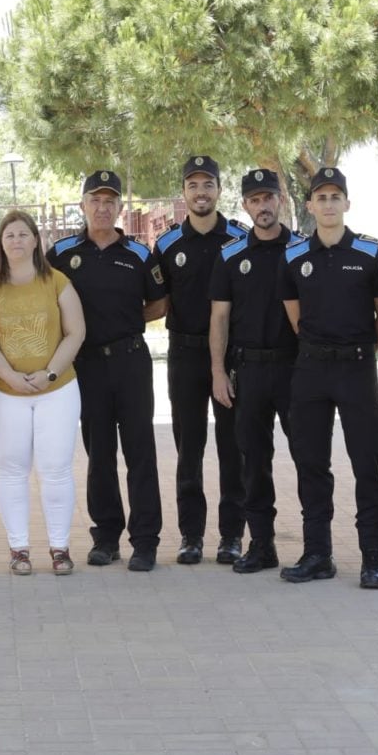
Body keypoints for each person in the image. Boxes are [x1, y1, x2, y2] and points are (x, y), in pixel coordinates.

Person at [279, 166, 378, 588]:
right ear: (309, 205)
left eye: (335, 197)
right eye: (320, 197)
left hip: (357, 367)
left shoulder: (370, 252)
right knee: (311, 464)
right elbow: (295, 317)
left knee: (367, 463)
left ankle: (373, 558)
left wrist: (365, 349)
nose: (328, 204)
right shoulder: (293, 257)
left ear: (347, 203)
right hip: (310, 369)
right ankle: (317, 554)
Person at [49, 170, 168, 571]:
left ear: (119, 208)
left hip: (130, 361)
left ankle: (146, 540)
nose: (102, 208)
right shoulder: (62, 254)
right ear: (82, 206)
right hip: (86, 365)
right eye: (94, 201)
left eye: (109, 201)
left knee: (140, 452)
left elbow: (159, 302)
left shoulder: (138, 253)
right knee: (99, 453)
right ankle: (106, 537)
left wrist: (126, 322)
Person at [0, 210, 86, 574]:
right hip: (5, 393)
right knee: (11, 469)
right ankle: (19, 549)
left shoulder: (56, 281)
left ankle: (59, 548)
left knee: (55, 469)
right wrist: (6, 373)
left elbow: (75, 332)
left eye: (24, 234)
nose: (17, 241)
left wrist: (50, 373)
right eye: (9, 235)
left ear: (36, 240)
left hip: (56, 391)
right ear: (1, 243)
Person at [154, 155, 249, 565]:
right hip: (185, 354)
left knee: (234, 448)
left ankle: (232, 536)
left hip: (233, 357)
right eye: (193, 186)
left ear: (219, 191)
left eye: (208, 185)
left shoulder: (241, 240)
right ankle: (191, 536)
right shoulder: (167, 244)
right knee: (188, 448)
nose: (201, 193)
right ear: (184, 194)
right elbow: (156, 300)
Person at [209, 169, 297, 574]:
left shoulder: (301, 250)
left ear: (280, 200)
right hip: (249, 371)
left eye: (269, 198)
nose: (262, 206)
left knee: (309, 458)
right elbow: (220, 319)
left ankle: (319, 548)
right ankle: (262, 545)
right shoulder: (230, 255)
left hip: (296, 370)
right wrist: (217, 371)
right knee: (253, 462)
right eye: (254, 200)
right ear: (244, 205)